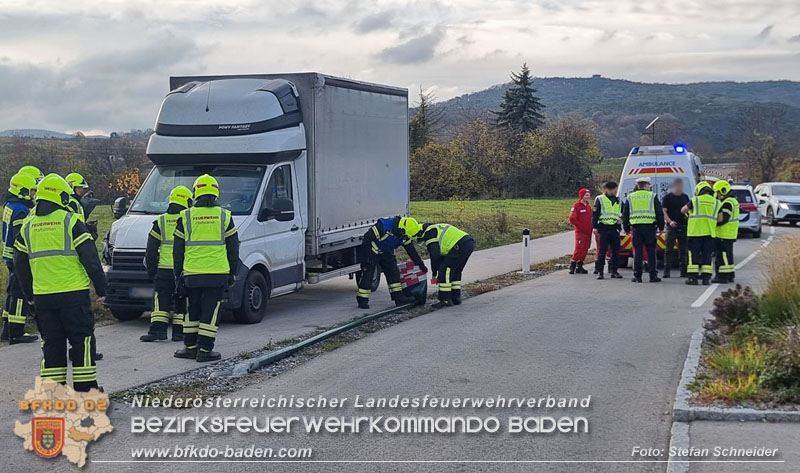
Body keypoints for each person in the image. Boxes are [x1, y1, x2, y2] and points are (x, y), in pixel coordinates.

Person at [13, 174, 107, 392]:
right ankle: (86, 391)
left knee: (52, 346)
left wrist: (30, 296)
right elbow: (91, 259)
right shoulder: (71, 221)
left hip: (44, 298)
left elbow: (20, 264)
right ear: (62, 197)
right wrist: (102, 289)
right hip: (73, 296)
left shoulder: (28, 226)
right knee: (82, 342)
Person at [172, 174, 239, 362]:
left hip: (192, 273)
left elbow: (177, 252)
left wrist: (178, 275)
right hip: (217, 273)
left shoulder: (185, 216)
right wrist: (233, 272)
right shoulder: (225, 216)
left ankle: (190, 347)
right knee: (211, 310)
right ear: (216, 193)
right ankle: (205, 350)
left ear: (195, 193)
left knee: (192, 310)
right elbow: (233, 248)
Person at [140, 186, 192, 342]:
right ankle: (179, 333)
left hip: (163, 270)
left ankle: (157, 331)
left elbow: (151, 249)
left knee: (160, 300)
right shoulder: (188, 220)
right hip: (183, 269)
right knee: (181, 300)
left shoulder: (160, 221)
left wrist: (151, 269)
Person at [356, 216, 427, 309]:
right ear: (401, 229)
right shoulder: (384, 226)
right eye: (404, 235)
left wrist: (420, 265)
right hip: (371, 251)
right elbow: (367, 239)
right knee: (368, 275)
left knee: (393, 272)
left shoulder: (404, 234)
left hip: (386, 252)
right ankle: (362, 300)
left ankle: (398, 298)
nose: (404, 238)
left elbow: (411, 251)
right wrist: (368, 256)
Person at [1, 172, 39, 344]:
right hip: (17, 258)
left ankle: (6, 329)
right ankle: (16, 332)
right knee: (18, 295)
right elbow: (19, 237)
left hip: (8, 255)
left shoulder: (9, 205)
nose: (33, 194)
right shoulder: (22, 211)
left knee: (11, 292)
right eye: (31, 191)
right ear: (23, 191)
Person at [409, 222, 474, 309]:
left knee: (445, 271)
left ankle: (445, 300)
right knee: (455, 270)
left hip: (458, 245)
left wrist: (434, 272)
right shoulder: (435, 228)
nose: (423, 241)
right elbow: (442, 249)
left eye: (421, 240)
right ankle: (456, 297)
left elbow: (434, 254)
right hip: (467, 243)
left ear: (419, 233)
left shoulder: (429, 233)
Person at [623, 177, 665, 283]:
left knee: (637, 252)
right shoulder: (652, 196)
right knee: (651, 252)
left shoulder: (630, 197)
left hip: (636, 228)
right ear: (647, 185)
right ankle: (652, 276)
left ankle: (637, 276)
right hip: (650, 228)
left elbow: (625, 214)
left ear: (638, 185)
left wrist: (626, 228)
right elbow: (659, 212)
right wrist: (661, 227)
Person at [681, 182, 721, 286]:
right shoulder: (717, 202)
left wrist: (689, 214)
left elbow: (683, 210)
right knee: (707, 256)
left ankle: (692, 278)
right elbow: (720, 218)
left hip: (695, 233)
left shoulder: (695, 200)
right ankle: (706, 279)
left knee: (693, 256)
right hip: (709, 233)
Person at [592, 181, 623, 280]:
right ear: (609, 189)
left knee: (616, 251)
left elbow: (622, 212)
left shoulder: (618, 200)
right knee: (602, 251)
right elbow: (595, 215)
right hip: (604, 229)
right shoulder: (600, 199)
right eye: (615, 189)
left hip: (614, 229)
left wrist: (621, 220)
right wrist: (595, 227)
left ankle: (614, 271)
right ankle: (600, 272)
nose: (616, 191)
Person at [661, 178, 690, 278]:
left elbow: (688, 210)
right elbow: (664, 211)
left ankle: (683, 271)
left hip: (683, 225)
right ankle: (666, 271)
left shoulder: (685, 197)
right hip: (671, 227)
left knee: (684, 250)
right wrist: (670, 221)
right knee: (669, 250)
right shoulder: (667, 198)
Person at [712, 180, 739, 284]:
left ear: (723, 191)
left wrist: (712, 222)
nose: (717, 195)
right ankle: (730, 275)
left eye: (717, 192)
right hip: (729, 233)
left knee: (722, 256)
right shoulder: (733, 201)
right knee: (728, 255)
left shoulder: (727, 203)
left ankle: (722, 276)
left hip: (723, 233)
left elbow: (723, 219)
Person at [568, 188, 592, 275]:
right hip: (580, 232)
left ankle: (580, 265)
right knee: (579, 248)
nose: (588, 197)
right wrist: (580, 226)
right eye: (586, 195)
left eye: (589, 195)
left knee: (586, 248)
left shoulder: (588, 207)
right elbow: (572, 218)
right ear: (582, 196)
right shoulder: (576, 206)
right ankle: (573, 264)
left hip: (588, 232)